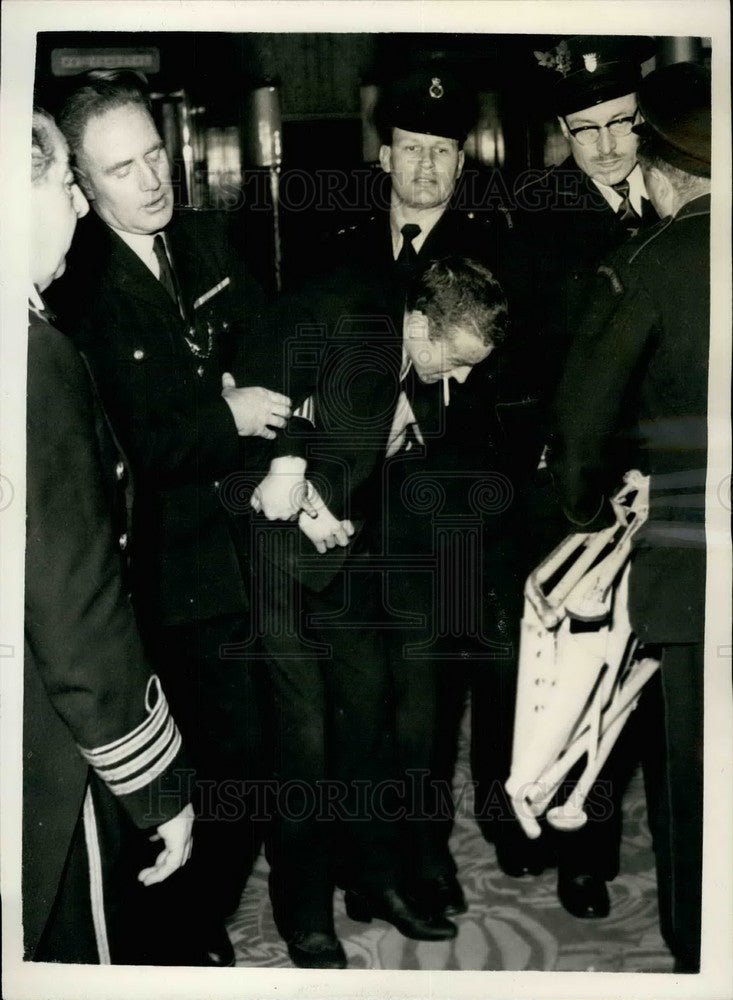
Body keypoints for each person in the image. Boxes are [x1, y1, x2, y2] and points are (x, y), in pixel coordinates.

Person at [46, 71, 291, 965]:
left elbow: (265, 335)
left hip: (242, 555)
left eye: (157, 155)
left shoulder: (201, 236)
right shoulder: (72, 289)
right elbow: (110, 447)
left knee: (248, 765)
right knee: (175, 782)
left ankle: (199, 920)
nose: (151, 180)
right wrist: (220, 415)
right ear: (79, 183)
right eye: (122, 169)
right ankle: (176, 941)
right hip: (159, 584)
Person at [247, 256, 507, 967]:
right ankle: (303, 916)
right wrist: (298, 490)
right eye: (451, 361)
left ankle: (373, 878)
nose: (455, 381)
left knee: (369, 720)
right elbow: (260, 411)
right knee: (303, 749)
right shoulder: (334, 314)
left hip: (342, 553)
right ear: (419, 323)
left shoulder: (403, 341)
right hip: (272, 564)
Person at [485, 35, 661, 920]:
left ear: (642, 118)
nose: (605, 147)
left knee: (635, 667)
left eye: (619, 125)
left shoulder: (680, 197)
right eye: (583, 130)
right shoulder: (532, 212)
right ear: (561, 131)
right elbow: (529, 368)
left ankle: (611, 847)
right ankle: (546, 838)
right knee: (559, 665)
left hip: (657, 482)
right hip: (569, 485)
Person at [549, 62, 711, 972]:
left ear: (657, 162)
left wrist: (588, 516)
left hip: (689, 568)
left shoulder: (646, 266)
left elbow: (579, 433)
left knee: (687, 776)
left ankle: (697, 953)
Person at [25, 108, 193, 964]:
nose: (82, 209)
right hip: (45, 739)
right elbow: (71, 598)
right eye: (64, 185)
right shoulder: (34, 357)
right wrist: (154, 784)